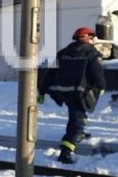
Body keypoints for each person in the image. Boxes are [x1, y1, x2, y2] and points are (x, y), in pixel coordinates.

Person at [39, 27, 106, 164]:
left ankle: (80, 133)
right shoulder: (92, 53)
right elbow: (97, 73)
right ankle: (66, 151)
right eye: (92, 38)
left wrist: (42, 90)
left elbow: (50, 73)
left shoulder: (63, 52)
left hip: (63, 92)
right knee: (77, 121)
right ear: (88, 38)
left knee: (75, 113)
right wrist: (101, 86)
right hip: (79, 92)